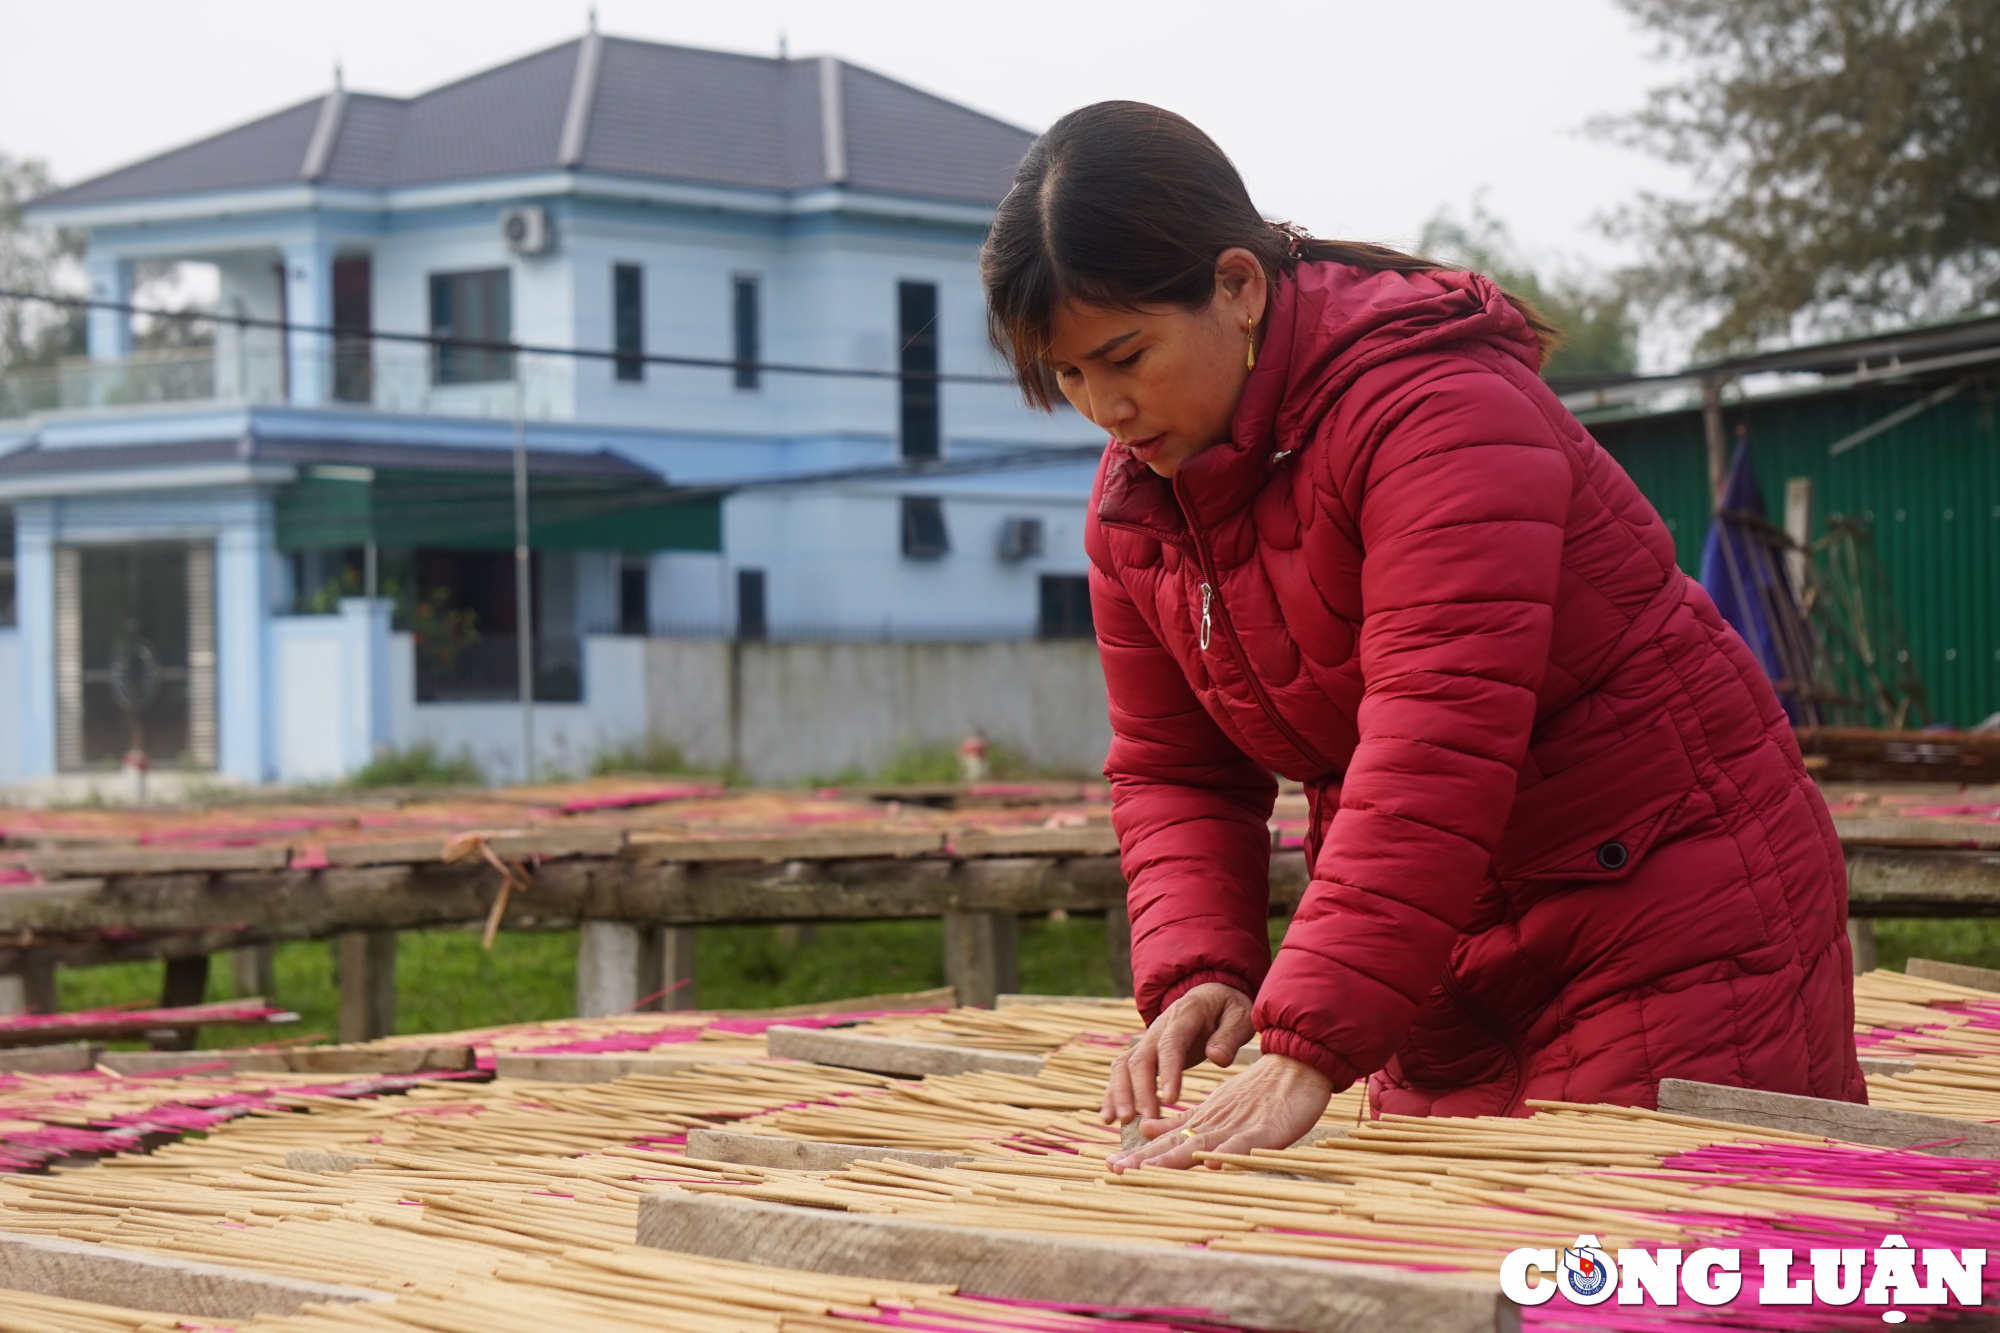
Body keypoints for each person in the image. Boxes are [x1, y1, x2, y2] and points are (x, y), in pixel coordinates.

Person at [980, 102, 1864, 1172]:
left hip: (1666, 905)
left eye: (1124, 354)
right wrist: (1201, 968)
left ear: (1236, 286)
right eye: (1067, 377)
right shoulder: (1140, 507)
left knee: (1643, 1263)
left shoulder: (1436, 410)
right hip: (1436, 935)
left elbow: (1435, 738)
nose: (1104, 408)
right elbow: (1177, 770)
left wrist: (1308, 1038)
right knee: (1458, 1264)